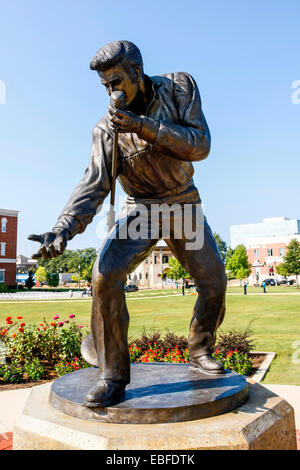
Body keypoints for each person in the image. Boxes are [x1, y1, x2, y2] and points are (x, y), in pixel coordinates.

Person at [28, 40, 227, 406]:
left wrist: (144, 126)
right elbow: (94, 184)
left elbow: (200, 145)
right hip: (141, 211)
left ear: (137, 71)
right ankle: (112, 375)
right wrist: (63, 228)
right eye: (105, 85)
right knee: (105, 276)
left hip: (183, 203)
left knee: (214, 282)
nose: (111, 92)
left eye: (116, 81)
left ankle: (199, 350)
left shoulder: (180, 87)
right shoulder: (106, 129)